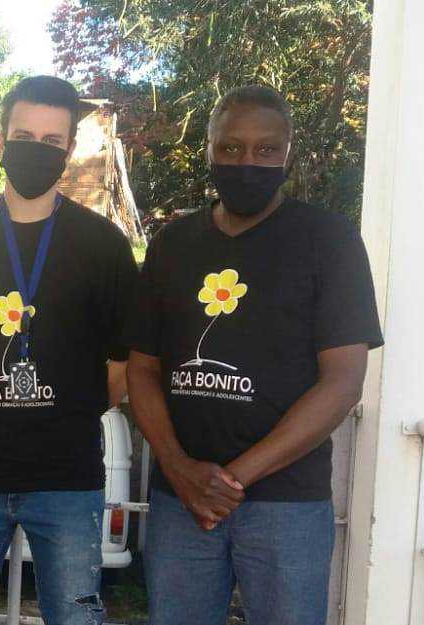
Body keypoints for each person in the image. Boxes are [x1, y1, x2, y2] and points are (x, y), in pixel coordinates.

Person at [126, 85, 381, 625]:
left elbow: (343, 381)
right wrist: (179, 469)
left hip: (286, 506)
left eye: (266, 149)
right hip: (180, 502)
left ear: (288, 153)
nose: (247, 161)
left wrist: (228, 482)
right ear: (209, 150)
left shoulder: (329, 240)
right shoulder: (172, 245)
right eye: (231, 147)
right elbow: (142, 369)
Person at [0, 76, 136, 625]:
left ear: (68, 149)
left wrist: (70, 409)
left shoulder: (104, 245)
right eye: (23, 136)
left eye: (50, 140)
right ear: (0, 141)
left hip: (67, 479)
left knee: (76, 617)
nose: (36, 149)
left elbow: (123, 362)